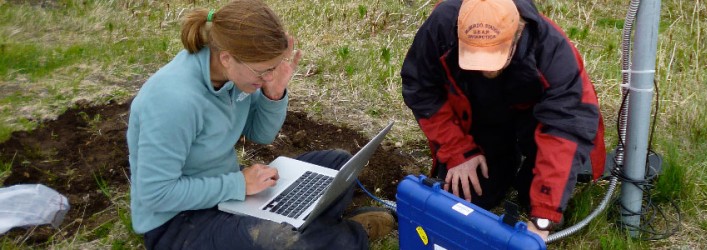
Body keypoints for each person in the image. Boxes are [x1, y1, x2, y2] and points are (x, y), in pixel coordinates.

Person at [126, 1, 395, 249]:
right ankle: (348, 235)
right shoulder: (172, 101)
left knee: (337, 165)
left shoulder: (236, 75)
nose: (268, 76)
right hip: (178, 222)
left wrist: (273, 93)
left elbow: (261, 133)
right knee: (278, 241)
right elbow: (156, 194)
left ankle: (308, 227)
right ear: (227, 58)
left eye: (274, 67)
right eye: (263, 71)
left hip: (226, 194)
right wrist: (238, 185)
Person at [400, 0, 606, 241]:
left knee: (539, 198)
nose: (485, 70)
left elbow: (566, 130)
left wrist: (543, 217)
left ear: (517, 34)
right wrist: (457, 150)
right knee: (468, 196)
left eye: (494, 58)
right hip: (481, 113)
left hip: (536, 121)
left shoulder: (552, 51)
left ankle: (527, 168)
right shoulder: (442, 27)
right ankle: (502, 160)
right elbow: (420, 88)